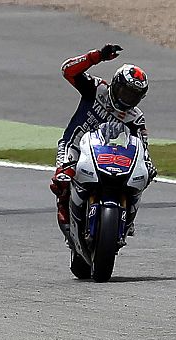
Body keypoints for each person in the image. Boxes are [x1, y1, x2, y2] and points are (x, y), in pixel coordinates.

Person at [50, 44, 157, 241]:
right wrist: (96, 56)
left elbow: (143, 146)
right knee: (61, 182)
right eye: (125, 92)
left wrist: (148, 166)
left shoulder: (135, 117)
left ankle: (128, 221)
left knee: (142, 178)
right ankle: (67, 218)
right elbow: (67, 70)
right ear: (115, 85)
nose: (127, 99)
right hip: (75, 147)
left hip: (109, 156)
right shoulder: (97, 89)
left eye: (133, 96)